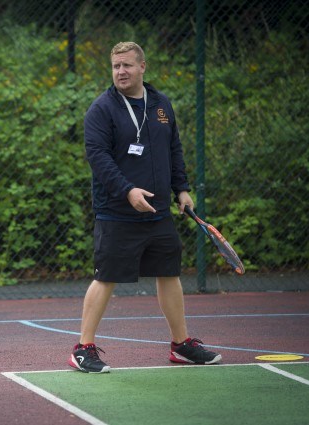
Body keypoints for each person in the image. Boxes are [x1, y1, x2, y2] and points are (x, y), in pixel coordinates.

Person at [69, 42, 221, 373]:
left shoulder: (161, 105)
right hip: (117, 212)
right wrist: (127, 191)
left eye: (126, 65)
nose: (120, 71)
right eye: (115, 66)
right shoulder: (102, 109)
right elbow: (99, 158)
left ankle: (181, 345)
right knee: (105, 277)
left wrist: (181, 188)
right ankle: (83, 347)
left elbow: (174, 148)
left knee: (169, 274)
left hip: (159, 212)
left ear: (142, 67)